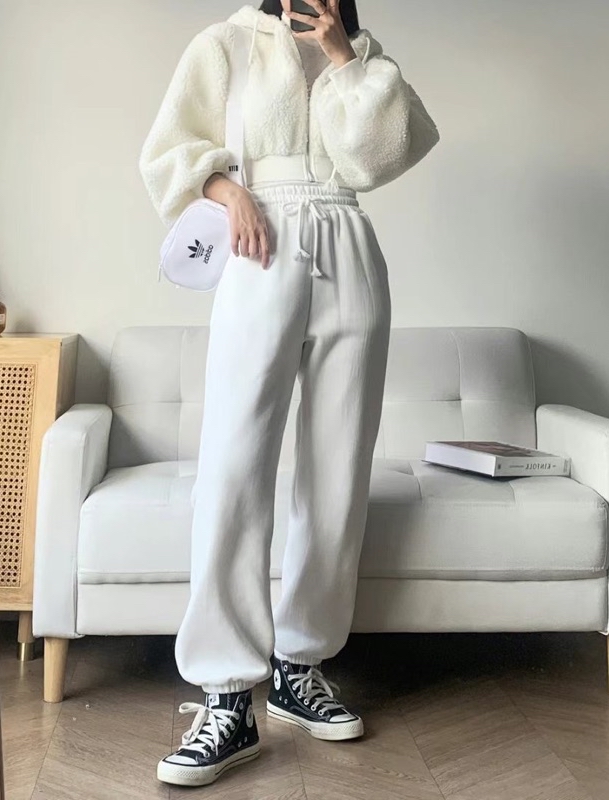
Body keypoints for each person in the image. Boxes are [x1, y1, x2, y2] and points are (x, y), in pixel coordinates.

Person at [139, 0, 439, 787]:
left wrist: (345, 58)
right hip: (259, 246)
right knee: (233, 468)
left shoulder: (361, 53)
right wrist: (226, 189)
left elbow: (376, 159)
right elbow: (168, 148)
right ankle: (226, 695)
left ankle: (299, 668)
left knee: (337, 473)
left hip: (348, 245)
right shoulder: (225, 42)